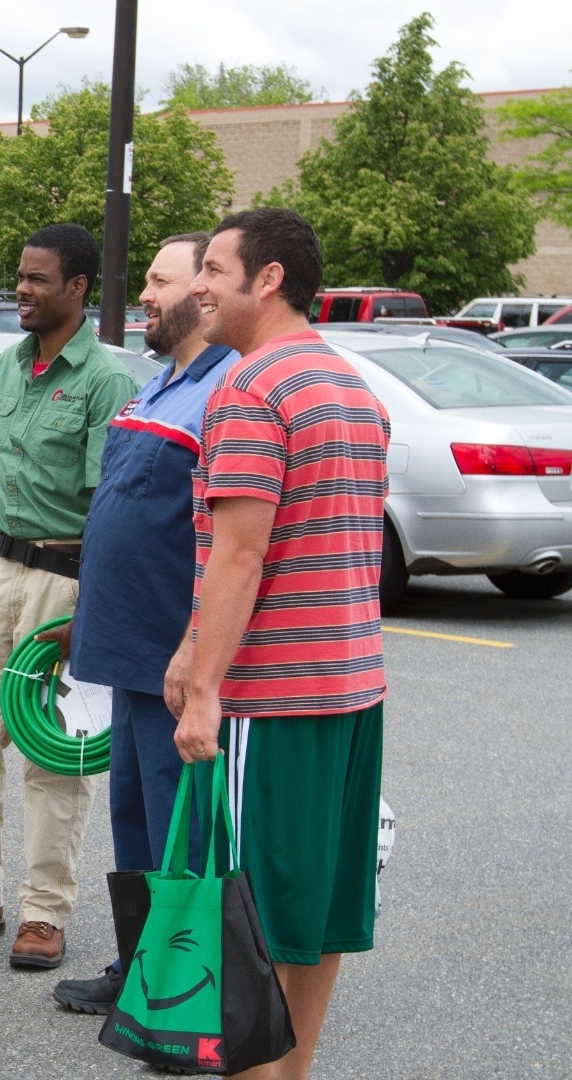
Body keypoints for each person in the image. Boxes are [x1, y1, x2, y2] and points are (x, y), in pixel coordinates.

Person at [169, 207, 389, 1080]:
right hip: (350, 687)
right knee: (314, 911)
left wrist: (208, 684)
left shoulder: (250, 388)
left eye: (215, 271)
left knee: (245, 915)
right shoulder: (348, 384)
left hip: (271, 696)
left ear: (268, 280)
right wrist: (192, 645)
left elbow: (244, 551)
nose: (198, 286)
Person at [0, 224, 137, 969]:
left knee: (54, 755)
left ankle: (45, 914)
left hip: (67, 578)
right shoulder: (8, 364)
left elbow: (112, 507)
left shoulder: (106, 381)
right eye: (19, 275)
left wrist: (94, 608)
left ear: (78, 288)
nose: (22, 289)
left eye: (38, 279)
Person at [46, 233, 239, 1013]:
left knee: (180, 827)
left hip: (173, 654)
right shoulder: (157, 384)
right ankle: (139, 969)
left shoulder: (228, 389)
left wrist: (198, 648)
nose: (143, 296)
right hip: (123, 645)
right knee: (133, 816)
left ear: (204, 292)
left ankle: (187, 995)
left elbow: (231, 540)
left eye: (158, 282)